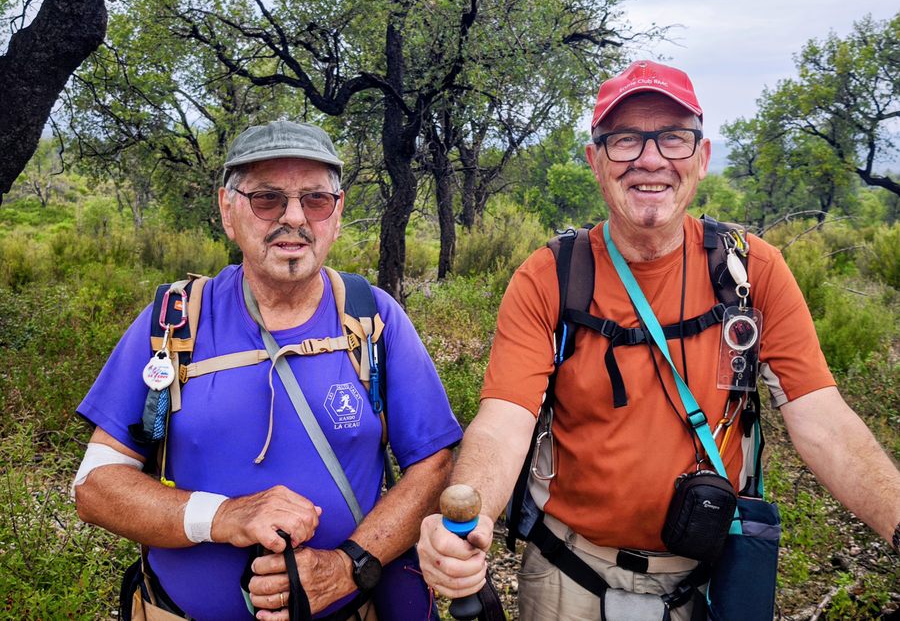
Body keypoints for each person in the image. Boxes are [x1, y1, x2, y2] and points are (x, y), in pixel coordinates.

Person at [417, 60, 900, 620]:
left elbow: (823, 419)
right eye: (626, 140)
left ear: (702, 156)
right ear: (596, 160)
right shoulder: (550, 275)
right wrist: (473, 515)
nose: (650, 159)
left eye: (673, 138)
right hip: (567, 576)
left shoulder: (752, 272)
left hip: (708, 579)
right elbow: (504, 420)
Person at [74, 121, 463, 620]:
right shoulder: (175, 320)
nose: (294, 218)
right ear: (227, 210)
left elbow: (433, 465)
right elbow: (96, 485)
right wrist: (224, 516)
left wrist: (347, 566)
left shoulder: (373, 318)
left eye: (316, 200)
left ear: (338, 213)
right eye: (267, 199)